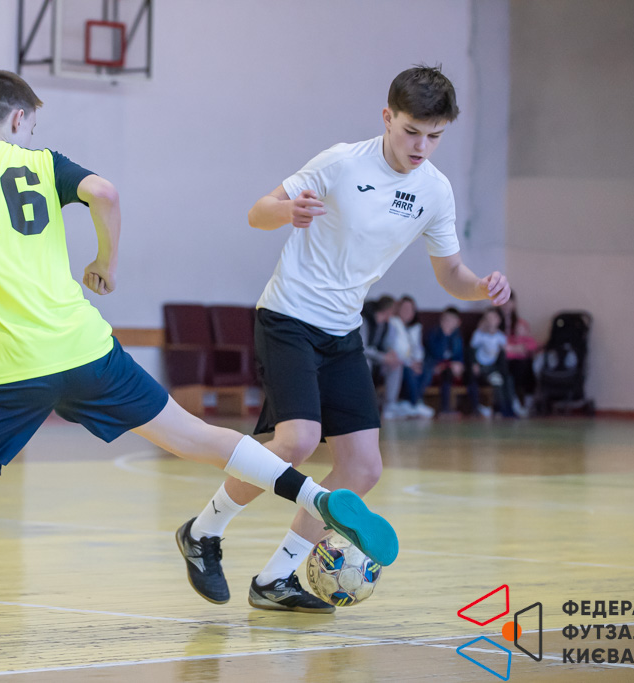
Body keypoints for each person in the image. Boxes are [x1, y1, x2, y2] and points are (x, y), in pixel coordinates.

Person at [0, 70, 398, 646]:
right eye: (32, 124)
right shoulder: (42, 164)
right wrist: (104, 262)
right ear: (18, 118)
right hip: (86, 349)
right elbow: (106, 193)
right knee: (197, 437)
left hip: (8, 371)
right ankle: (317, 496)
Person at [176, 65, 510, 613]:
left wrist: (481, 288)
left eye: (434, 136)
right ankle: (203, 531)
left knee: (363, 468)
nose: (421, 146)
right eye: (411, 131)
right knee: (297, 442)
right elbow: (259, 213)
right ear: (387, 117)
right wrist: (288, 211)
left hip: (342, 331)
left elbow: (451, 273)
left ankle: (276, 579)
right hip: (288, 317)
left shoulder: (434, 191)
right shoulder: (341, 162)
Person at [384, 295, 433, 418]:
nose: (407, 312)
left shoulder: (415, 327)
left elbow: (418, 348)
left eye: (410, 309)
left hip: (410, 361)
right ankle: (413, 403)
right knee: (408, 370)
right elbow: (394, 348)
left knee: (427, 367)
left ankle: (414, 402)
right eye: (404, 309)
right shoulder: (393, 323)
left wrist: (417, 362)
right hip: (398, 361)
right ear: (398, 309)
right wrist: (410, 364)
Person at [468, 309, 518, 418]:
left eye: (493, 318)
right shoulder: (479, 334)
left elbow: (504, 354)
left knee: (508, 379)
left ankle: (510, 408)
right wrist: (474, 364)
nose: (490, 321)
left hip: (494, 368)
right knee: (497, 380)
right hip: (482, 368)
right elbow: (472, 351)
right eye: (488, 318)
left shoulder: (500, 336)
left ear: (498, 320)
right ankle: (500, 409)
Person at [419, 307, 468, 415]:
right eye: (446, 320)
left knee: (449, 372)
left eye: (451, 320)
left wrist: (459, 365)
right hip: (433, 366)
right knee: (442, 372)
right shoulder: (434, 333)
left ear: (457, 323)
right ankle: (442, 408)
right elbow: (437, 354)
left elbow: (458, 356)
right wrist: (444, 336)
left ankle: (449, 409)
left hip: (448, 369)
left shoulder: (457, 337)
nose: (448, 323)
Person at [500, 291, 538, 416]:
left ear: (514, 303)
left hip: (521, 360)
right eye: (503, 301)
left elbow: (531, 345)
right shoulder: (496, 321)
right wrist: (513, 349)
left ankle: (528, 403)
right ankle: (515, 402)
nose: (506, 305)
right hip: (505, 359)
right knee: (511, 370)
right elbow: (501, 346)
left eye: (508, 301)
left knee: (527, 366)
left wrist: (517, 348)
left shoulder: (521, 323)